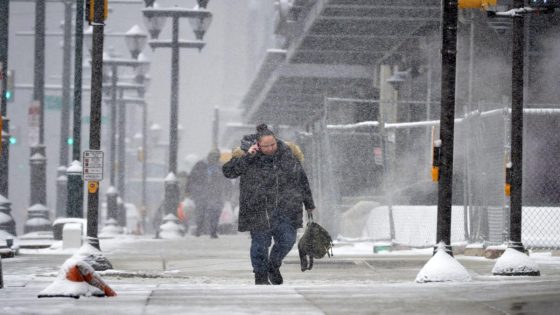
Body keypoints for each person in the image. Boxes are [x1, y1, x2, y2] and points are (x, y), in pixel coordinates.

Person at [222, 124, 315, 285]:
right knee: (260, 244)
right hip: (258, 209)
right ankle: (260, 277)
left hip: (286, 208)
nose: (271, 148)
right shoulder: (247, 156)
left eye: (273, 144)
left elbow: (301, 180)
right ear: (258, 145)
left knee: (288, 239)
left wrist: (309, 203)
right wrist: (247, 157)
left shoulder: (288, 154)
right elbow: (229, 172)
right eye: (266, 146)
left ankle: (273, 265)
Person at [187, 150, 231, 238]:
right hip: (201, 193)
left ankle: (213, 231)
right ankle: (199, 229)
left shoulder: (220, 166)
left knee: (215, 212)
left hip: (216, 194)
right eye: (213, 156)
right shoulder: (200, 165)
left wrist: (228, 191)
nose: (214, 159)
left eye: (216, 157)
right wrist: (189, 190)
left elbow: (227, 180)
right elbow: (192, 178)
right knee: (201, 211)